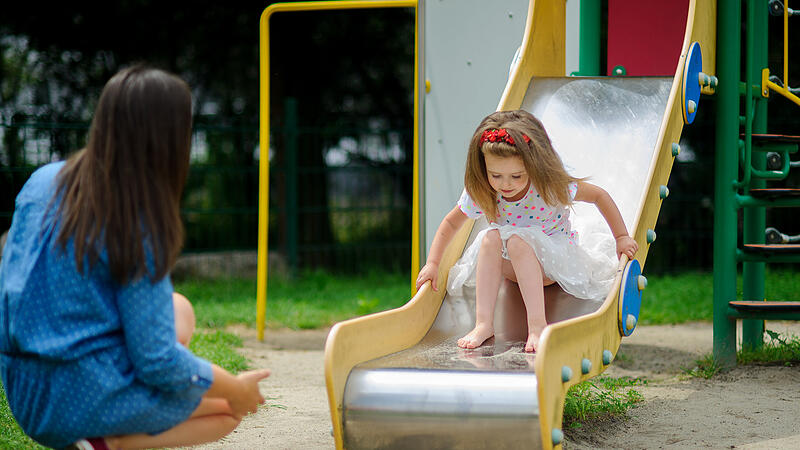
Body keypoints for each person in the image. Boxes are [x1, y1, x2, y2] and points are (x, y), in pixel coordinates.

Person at [0, 65, 270, 450]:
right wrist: (236, 387)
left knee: (180, 309)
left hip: (25, 389)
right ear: (169, 140)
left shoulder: (43, 181)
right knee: (225, 409)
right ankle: (106, 441)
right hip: (80, 398)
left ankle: (104, 433)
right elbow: (158, 360)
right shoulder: (136, 220)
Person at [415, 110, 638, 353]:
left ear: (534, 165)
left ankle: (537, 326)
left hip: (553, 265)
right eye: (496, 175)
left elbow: (599, 196)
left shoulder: (549, 187)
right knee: (491, 237)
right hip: (515, 268)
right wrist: (433, 263)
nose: (505, 184)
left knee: (518, 240)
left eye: (516, 176)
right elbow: (451, 223)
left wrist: (621, 237)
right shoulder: (485, 191)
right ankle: (483, 324)